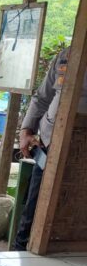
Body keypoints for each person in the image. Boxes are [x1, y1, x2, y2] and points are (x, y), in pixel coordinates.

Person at [14, 47, 87, 251]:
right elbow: (42, 97)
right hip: (49, 146)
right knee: (33, 208)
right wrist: (26, 130)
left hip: (81, 152)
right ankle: (19, 253)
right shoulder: (66, 55)